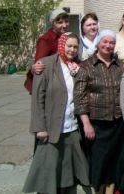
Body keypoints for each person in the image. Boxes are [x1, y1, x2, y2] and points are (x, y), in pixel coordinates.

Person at [23, 32, 90, 194]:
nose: (72, 50)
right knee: (48, 173)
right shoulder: (45, 65)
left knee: (67, 174)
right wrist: (40, 127)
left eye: (75, 47)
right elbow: (38, 99)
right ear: (62, 45)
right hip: (51, 129)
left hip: (71, 128)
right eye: (69, 46)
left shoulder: (76, 67)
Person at [74, 30, 124, 194]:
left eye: (111, 42)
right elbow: (79, 97)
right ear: (98, 43)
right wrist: (86, 123)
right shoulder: (87, 66)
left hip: (118, 123)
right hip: (97, 124)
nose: (108, 45)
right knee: (98, 163)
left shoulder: (121, 66)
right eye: (105, 42)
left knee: (114, 162)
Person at [24, 8, 69, 94]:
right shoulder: (46, 40)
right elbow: (39, 65)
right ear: (53, 24)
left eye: (66, 21)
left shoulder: (66, 37)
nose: (64, 25)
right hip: (48, 85)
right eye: (60, 22)